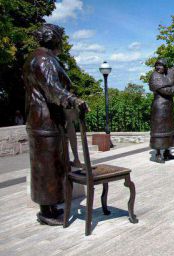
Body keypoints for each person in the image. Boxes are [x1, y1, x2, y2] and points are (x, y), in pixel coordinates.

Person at [23, 24, 88, 226]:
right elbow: (53, 89)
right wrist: (73, 100)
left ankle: (51, 206)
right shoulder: (43, 59)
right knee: (47, 167)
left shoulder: (37, 57)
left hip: (44, 121)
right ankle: (47, 212)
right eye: (60, 39)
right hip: (46, 122)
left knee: (50, 165)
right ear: (54, 40)